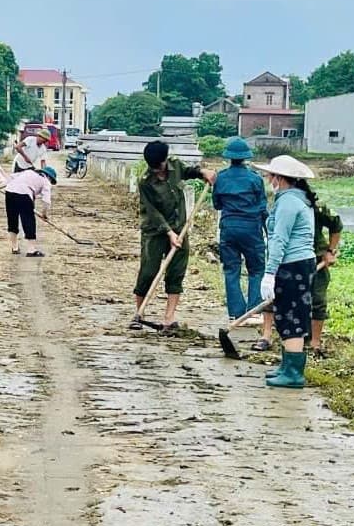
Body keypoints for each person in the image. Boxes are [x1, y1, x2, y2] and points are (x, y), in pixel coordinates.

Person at [131, 140, 215, 334]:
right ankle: (139, 313)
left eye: (160, 165)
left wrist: (204, 173)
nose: (158, 170)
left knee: (176, 273)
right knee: (148, 272)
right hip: (154, 231)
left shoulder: (175, 165)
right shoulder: (145, 181)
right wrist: (168, 232)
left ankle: (169, 318)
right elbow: (152, 212)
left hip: (180, 228)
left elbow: (190, 172)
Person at [253, 155, 317, 388]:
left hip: (292, 265)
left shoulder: (289, 202)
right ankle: (287, 366)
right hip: (298, 263)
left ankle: (293, 373)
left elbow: (279, 239)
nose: (268, 178)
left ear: (279, 178)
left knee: (292, 315)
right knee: (286, 313)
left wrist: (270, 273)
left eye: (270, 175)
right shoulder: (294, 198)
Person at [256, 194, 343, 355]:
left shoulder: (316, 206)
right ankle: (267, 335)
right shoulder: (280, 203)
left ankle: (314, 342)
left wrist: (331, 250)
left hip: (312, 257)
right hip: (283, 256)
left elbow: (336, 224)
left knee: (317, 299)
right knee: (271, 296)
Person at [212, 136, 267, 323]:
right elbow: (262, 207)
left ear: (229, 157)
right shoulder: (255, 179)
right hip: (251, 228)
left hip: (228, 228)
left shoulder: (220, 178)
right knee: (256, 269)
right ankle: (253, 311)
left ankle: (235, 313)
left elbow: (217, 204)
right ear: (245, 158)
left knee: (231, 270)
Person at [4, 166, 57, 257]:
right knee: (28, 220)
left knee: (12, 219)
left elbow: (11, 177)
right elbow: (46, 201)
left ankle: (15, 247)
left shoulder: (28, 172)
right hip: (24, 194)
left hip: (9, 191)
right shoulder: (46, 181)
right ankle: (31, 250)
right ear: (49, 177)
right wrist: (44, 214)